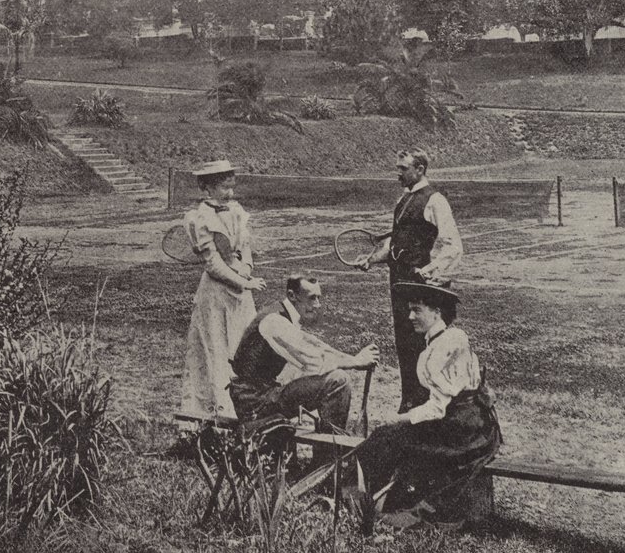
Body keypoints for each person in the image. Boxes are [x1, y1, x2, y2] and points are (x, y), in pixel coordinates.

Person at [348, 281, 501, 528]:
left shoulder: (449, 343)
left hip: (467, 430)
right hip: (458, 421)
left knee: (395, 437)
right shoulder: (439, 342)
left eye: (417, 310)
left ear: (436, 312)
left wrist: (400, 417)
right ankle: (368, 499)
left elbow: (438, 407)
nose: (410, 316)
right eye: (410, 310)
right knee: (386, 437)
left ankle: (401, 507)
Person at [358, 148, 462, 412]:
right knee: (404, 341)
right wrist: (372, 259)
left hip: (419, 285)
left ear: (420, 169)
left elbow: (453, 246)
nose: (398, 173)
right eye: (398, 168)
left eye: (403, 169)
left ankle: (431, 404)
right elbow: (394, 243)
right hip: (399, 282)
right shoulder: (404, 199)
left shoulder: (435, 200)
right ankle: (409, 401)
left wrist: (426, 272)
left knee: (423, 342)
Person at [229, 276, 379, 435]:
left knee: (335, 377)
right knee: (338, 381)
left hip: (263, 392)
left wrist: (354, 358)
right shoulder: (274, 321)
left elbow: (315, 345)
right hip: (254, 401)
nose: (317, 305)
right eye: (312, 298)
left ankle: (329, 447)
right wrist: (356, 361)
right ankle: (329, 454)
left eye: (318, 298)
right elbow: (312, 359)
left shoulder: (283, 314)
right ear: (292, 295)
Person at [179, 160, 266, 419]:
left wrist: (247, 267)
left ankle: (247, 411)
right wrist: (243, 281)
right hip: (216, 296)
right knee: (215, 349)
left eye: (232, 187)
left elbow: (246, 244)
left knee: (245, 347)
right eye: (224, 188)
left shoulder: (236, 210)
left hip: (240, 298)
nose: (230, 193)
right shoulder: (199, 218)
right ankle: (214, 413)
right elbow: (213, 264)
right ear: (207, 188)